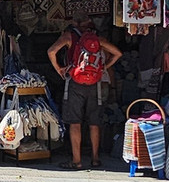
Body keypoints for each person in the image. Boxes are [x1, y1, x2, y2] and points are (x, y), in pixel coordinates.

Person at [47, 15, 123, 170]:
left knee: (75, 122)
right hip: (95, 83)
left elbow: (51, 51)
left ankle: (76, 160)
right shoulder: (97, 39)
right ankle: (95, 159)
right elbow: (118, 53)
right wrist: (103, 68)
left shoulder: (68, 36)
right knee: (94, 122)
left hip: (74, 82)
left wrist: (60, 69)